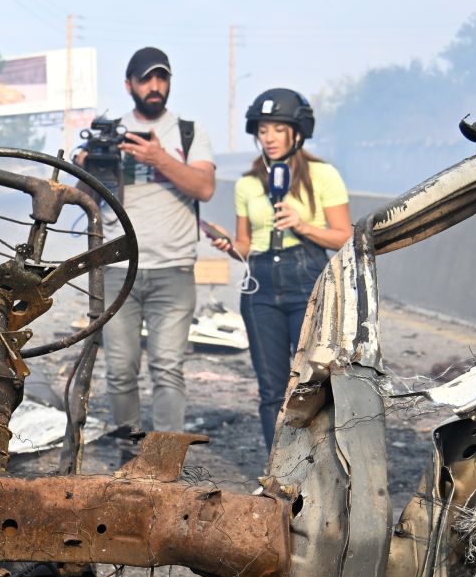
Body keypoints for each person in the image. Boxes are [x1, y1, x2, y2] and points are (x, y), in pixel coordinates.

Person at [211, 88, 351, 447]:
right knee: (271, 386)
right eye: (262, 129)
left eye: (277, 128)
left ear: (298, 131)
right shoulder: (247, 184)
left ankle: (317, 467)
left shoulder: (323, 175)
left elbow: (344, 237)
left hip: (307, 278)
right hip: (259, 283)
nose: (268, 137)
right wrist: (229, 245)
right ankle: (275, 471)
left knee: (312, 380)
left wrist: (302, 225)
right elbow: (245, 245)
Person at [89, 46, 217, 439]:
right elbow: (82, 196)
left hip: (173, 269)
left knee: (167, 367)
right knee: (121, 369)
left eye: (162, 78)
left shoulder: (189, 133)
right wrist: (88, 161)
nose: (155, 86)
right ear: (129, 85)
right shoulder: (108, 132)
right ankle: (130, 455)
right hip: (117, 268)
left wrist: (159, 158)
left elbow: (205, 187)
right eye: (146, 78)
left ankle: (165, 464)